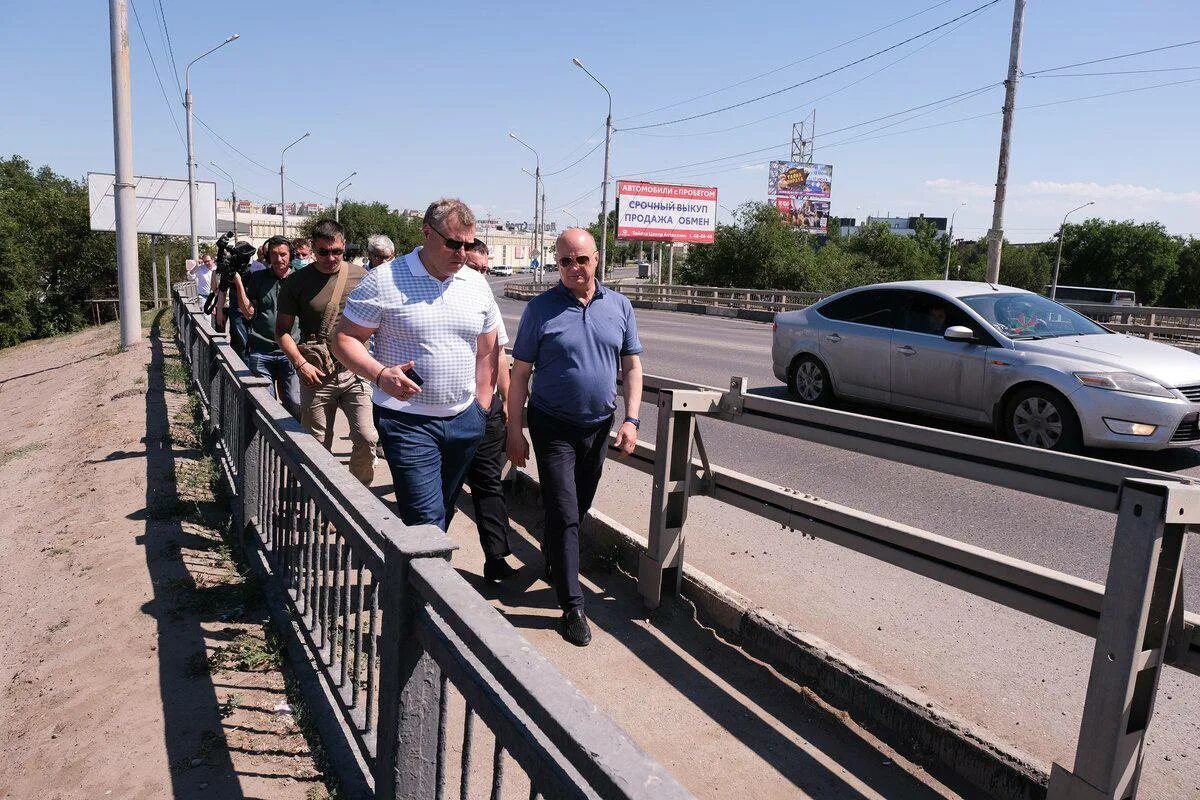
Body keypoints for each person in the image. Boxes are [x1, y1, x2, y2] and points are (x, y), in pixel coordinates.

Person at [507, 227, 643, 646]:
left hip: (599, 427)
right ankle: (572, 606)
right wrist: (515, 429)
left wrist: (632, 420)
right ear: (556, 263)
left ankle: (554, 557)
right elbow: (520, 375)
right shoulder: (540, 309)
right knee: (566, 512)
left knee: (578, 506)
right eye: (564, 261)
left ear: (596, 259)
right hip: (553, 426)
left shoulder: (619, 305)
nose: (573, 268)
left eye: (580, 259)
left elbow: (632, 367)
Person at [332, 199, 500, 533]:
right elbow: (344, 339)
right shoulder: (384, 280)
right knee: (426, 522)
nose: (462, 253)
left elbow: (488, 351)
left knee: (442, 512)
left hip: (465, 422)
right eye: (453, 243)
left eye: (467, 245)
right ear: (426, 232)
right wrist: (380, 375)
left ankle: (411, 579)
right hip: (407, 423)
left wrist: (480, 407)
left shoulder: (477, 284)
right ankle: (425, 581)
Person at [275, 219, 378, 485]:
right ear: (312, 248)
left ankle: (357, 500)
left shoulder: (361, 277)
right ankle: (318, 502)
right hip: (316, 375)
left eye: (337, 252)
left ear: (344, 248)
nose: (330, 258)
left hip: (354, 372)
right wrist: (300, 364)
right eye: (323, 252)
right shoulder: (297, 282)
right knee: (317, 446)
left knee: (367, 438)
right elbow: (282, 331)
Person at [449, 239, 517, 580]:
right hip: (452, 411)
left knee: (488, 482)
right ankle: (424, 559)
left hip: (486, 409)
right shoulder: (442, 296)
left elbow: (499, 356)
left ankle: (496, 559)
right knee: (447, 485)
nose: (481, 275)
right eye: (475, 268)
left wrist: (507, 404)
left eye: (485, 270)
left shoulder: (485, 300)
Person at [239, 235, 301, 414]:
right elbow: (249, 313)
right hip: (262, 349)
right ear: (268, 256)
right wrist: (237, 283)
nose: (279, 259)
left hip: (291, 351)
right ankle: (271, 443)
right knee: (266, 406)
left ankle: (293, 441)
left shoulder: (300, 278)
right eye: (274, 254)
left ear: (291, 255)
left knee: (295, 402)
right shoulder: (258, 278)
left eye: (283, 254)